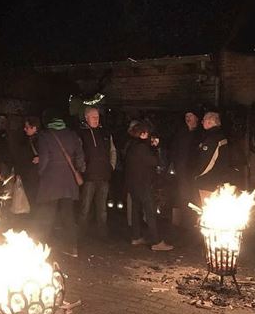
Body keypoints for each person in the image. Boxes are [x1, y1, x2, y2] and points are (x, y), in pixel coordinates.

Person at [35, 114, 85, 257]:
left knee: (48, 213)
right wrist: (79, 170)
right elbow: (80, 154)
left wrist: (41, 172)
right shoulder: (72, 135)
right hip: (68, 178)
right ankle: (72, 247)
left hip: (51, 178)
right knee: (68, 213)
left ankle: (41, 245)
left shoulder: (45, 136)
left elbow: (44, 158)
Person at [125, 121, 173, 251]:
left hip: (133, 183)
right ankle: (156, 241)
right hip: (143, 183)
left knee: (136, 209)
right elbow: (155, 162)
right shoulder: (142, 148)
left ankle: (136, 237)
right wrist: (156, 148)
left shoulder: (131, 145)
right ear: (143, 133)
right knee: (150, 211)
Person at [78, 107, 117, 240]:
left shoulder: (105, 133)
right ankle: (82, 234)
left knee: (102, 208)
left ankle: (102, 234)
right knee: (85, 207)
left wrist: (111, 166)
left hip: (104, 175)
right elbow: (79, 153)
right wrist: (83, 168)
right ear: (86, 118)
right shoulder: (82, 134)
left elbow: (112, 150)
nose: (96, 119)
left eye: (97, 116)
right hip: (89, 176)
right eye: (93, 117)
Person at [170, 109, 202, 226]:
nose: (188, 118)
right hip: (181, 170)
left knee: (194, 196)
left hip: (194, 172)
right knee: (183, 195)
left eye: (191, 115)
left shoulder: (200, 134)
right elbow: (175, 149)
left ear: (196, 118)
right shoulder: (181, 133)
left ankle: (194, 221)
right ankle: (185, 221)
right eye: (186, 115)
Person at [194, 111, 231, 203]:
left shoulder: (212, 138)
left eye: (204, 120)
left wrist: (197, 175)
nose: (202, 123)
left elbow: (207, 160)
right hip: (216, 179)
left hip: (208, 180)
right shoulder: (218, 136)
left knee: (206, 209)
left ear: (210, 122)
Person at [16, 117, 41, 205]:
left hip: (35, 175)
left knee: (34, 197)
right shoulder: (25, 139)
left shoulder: (41, 140)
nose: (24, 129)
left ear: (34, 128)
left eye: (27, 127)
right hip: (28, 174)